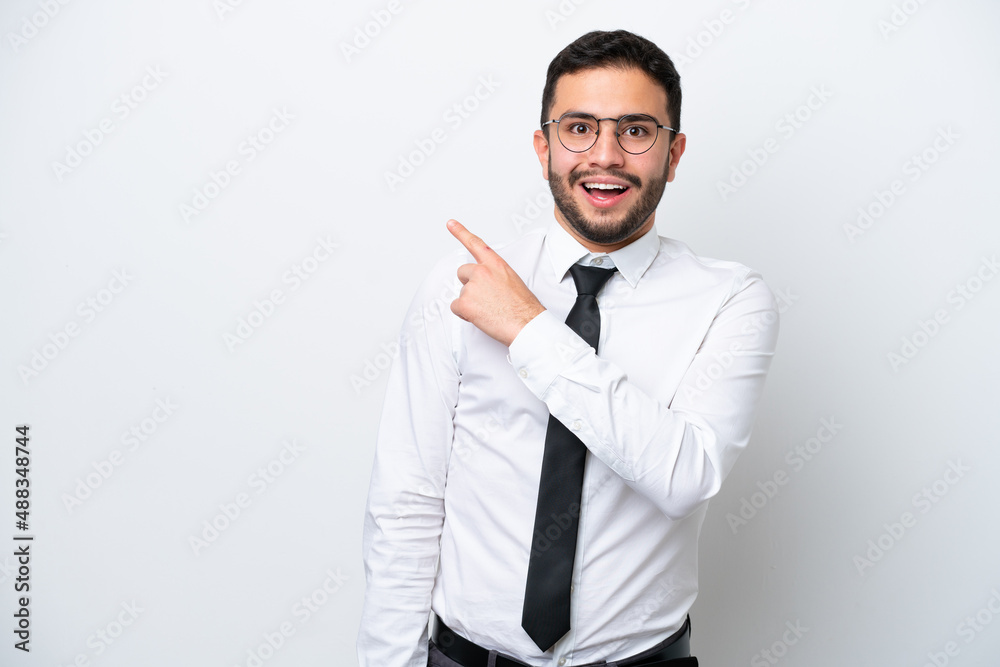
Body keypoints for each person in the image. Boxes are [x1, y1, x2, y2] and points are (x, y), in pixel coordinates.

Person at [359, 29, 779, 667]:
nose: (605, 155)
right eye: (579, 127)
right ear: (544, 145)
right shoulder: (457, 287)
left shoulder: (730, 299)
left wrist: (529, 328)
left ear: (675, 150)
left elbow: (684, 476)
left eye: (636, 130)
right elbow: (408, 500)